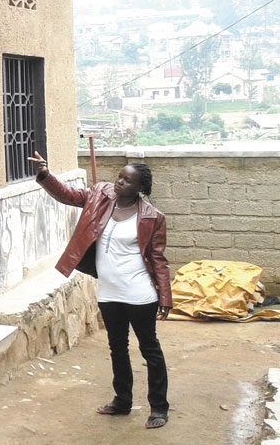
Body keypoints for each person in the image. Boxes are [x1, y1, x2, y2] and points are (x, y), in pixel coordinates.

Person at [28, 151, 172, 430]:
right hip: (108, 292)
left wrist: (165, 297)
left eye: (126, 181)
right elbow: (68, 195)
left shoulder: (152, 217)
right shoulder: (99, 196)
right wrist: (45, 174)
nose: (118, 183)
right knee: (117, 347)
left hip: (139, 293)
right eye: (119, 177)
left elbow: (158, 259)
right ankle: (122, 401)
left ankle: (158, 408)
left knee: (150, 349)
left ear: (140, 188)